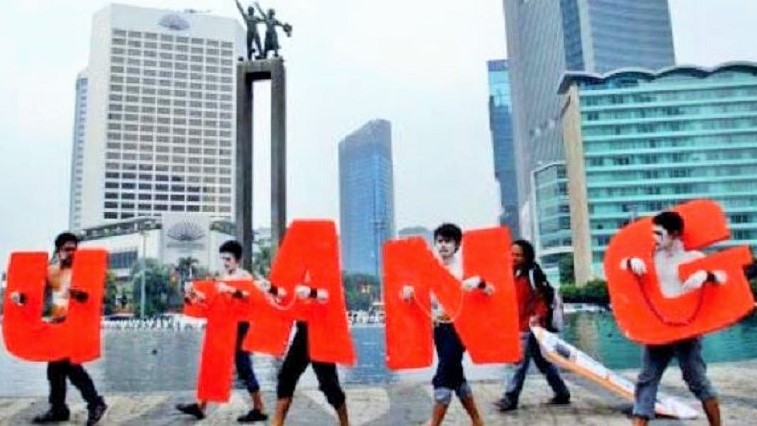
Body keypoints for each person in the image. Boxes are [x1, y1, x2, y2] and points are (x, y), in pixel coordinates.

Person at [622, 211, 725, 426]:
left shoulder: (693, 258)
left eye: (659, 233)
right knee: (646, 380)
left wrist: (706, 275)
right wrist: (629, 262)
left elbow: (724, 277)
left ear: (675, 234)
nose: (654, 238)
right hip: (657, 329)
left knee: (696, 380)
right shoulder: (649, 258)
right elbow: (619, 267)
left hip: (686, 330)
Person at [176, 240, 269, 423]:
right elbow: (211, 303)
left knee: (243, 366)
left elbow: (249, 297)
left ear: (238, 259)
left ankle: (259, 407)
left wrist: (230, 289)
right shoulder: (221, 277)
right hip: (223, 325)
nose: (225, 262)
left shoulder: (245, 276)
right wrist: (193, 294)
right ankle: (200, 406)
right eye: (223, 259)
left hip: (240, 326)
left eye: (228, 259)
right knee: (213, 362)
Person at [403, 223, 485, 426]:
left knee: (443, 374)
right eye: (439, 241)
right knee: (455, 373)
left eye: (447, 241)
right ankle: (477, 420)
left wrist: (479, 282)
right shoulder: (429, 267)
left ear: (457, 244)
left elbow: (491, 288)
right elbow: (417, 291)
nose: (443, 245)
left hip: (460, 327)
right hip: (438, 327)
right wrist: (408, 292)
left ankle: (434, 423)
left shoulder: (465, 266)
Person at [31, 232, 108, 426]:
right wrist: (20, 298)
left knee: (71, 368)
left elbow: (92, 297)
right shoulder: (50, 271)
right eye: (67, 249)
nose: (72, 253)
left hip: (75, 325)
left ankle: (93, 403)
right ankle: (60, 408)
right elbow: (35, 292)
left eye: (74, 249)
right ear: (59, 251)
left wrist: (81, 296)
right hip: (55, 324)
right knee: (56, 370)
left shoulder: (83, 272)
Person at [494, 239, 570, 412]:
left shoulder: (532, 273)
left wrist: (537, 316)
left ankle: (510, 398)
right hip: (521, 324)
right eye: (512, 254)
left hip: (530, 325)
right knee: (543, 362)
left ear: (527, 256)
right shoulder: (511, 273)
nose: (514, 257)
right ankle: (562, 393)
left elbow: (543, 298)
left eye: (518, 255)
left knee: (519, 362)